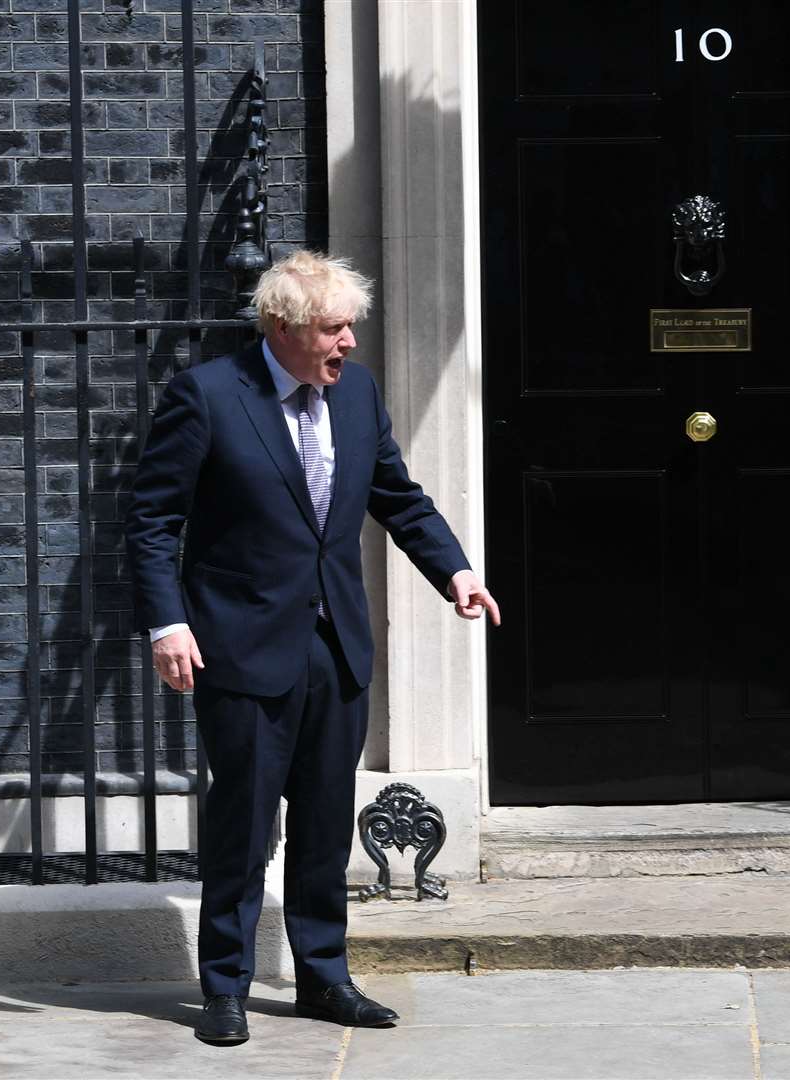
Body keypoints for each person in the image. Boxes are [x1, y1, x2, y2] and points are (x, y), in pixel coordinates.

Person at [126, 251, 500, 1045]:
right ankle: (224, 986)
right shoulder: (209, 396)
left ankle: (323, 979)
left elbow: (397, 495)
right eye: (334, 328)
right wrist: (168, 623)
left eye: (349, 327)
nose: (348, 344)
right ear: (283, 328)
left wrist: (455, 571)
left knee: (328, 824)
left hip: (335, 646)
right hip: (242, 644)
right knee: (245, 821)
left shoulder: (357, 395)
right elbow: (153, 519)